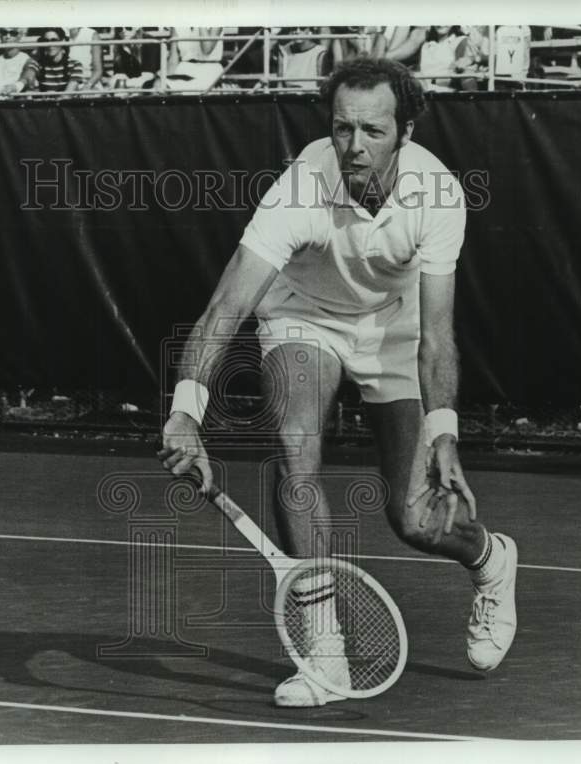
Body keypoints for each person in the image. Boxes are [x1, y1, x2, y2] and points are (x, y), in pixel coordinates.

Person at [158, 57, 519, 707]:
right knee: (295, 447)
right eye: (343, 128)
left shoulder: (438, 195)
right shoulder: (300, 187)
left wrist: (444, 434)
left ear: (405, 132)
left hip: (394, 331)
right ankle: (326, 655)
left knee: (415, 518)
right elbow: (225, 309)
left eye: (373, 131)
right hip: (304, 317)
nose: (354, 146)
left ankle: (491, 560)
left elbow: (438, 335)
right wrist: (186, 412)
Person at [0, 28, 32, 95]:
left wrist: (14, 87)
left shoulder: (26, 59)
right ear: (0, 36)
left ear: (20, 36)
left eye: (13, 33)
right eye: (4, 32)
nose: (8, 36)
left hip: (16, 99)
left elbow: (27, 79)